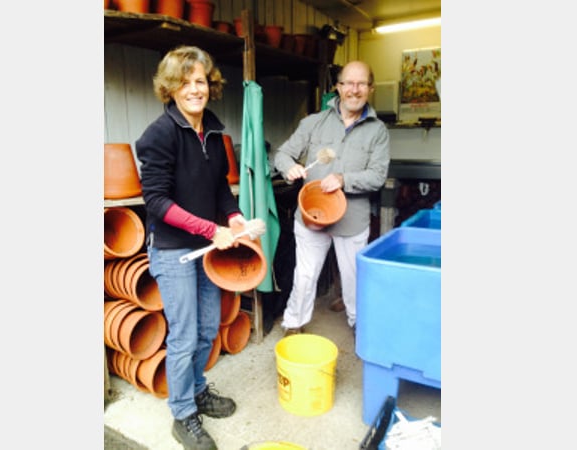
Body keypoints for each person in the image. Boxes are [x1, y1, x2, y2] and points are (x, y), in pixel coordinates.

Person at [134, 45, 248, 450]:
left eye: (200, 80)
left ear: (210, 85)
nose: (194, 89)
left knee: (205, 329)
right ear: (171, 89)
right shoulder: (158, 135)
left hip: (207, 248)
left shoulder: (214, 131)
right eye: (184, 82)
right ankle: (183, 414)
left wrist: (233, 218)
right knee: (184, 335)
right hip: (173, 250)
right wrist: (208, 228)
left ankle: (197, 389)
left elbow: (220, 188)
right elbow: (157, 202)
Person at [273, 60, 391, 337]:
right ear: (337, 87)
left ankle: (359, 325)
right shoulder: (313, 123)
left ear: (370, 89)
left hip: (352, 217)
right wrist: (288, 166)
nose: (354, 89)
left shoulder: (378, 132)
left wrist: (343, 179)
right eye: (348, 83)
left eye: (361, 83)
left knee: (352, 281)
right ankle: (294, 323)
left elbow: (377, 176)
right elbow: (282, 153)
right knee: (304, 275)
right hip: (313, 214)